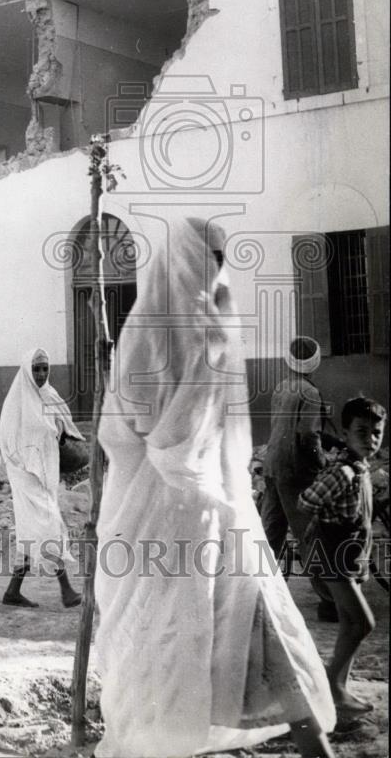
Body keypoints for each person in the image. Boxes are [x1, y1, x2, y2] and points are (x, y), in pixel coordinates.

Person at [94, 219, 336, 758]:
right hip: (182, 509)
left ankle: (294, 739)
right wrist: (181, 451)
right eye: (211, 256)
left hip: (195, 509)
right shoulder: (171, 328)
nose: (215, 268)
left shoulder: (189, 325)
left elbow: (138, 426)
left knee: (223, 622)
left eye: (220, 257)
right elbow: (142, 423)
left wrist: (180, 454)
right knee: (204, 629)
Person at [299, 396, 386, 716]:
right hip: (335, 553)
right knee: (363, 623)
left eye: (377, 432)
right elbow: (306, 501)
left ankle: (339, 692)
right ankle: (330, 683)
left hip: (351, 554)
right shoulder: (344, 472)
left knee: (351, 622)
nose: (371, 439)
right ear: (346, 433)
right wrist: (325, 523)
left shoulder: (361, 467)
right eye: (361, 432)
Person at [261, 336, 343, 620]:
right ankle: (330, 601)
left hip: (272, 466)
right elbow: (308, 434)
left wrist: (328, 439)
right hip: (296, 473)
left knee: (270, 534)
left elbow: (287, 426)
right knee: (310, 536)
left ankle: (260, 595)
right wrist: (321, 460)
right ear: (315, 362)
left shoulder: (283, 387)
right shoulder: (310, 392)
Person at [0, 348, 84, 609]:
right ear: (27, 370)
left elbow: (66, 428)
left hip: (47, 473)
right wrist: (26, 464)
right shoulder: (18, 401)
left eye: (45, 368)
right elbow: (7, 438)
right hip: (26, 475)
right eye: (36, 369)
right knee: (49, 525)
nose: (41, 373)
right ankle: (66, 590)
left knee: (31, 530)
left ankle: (13, 591)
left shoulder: (51, 395)